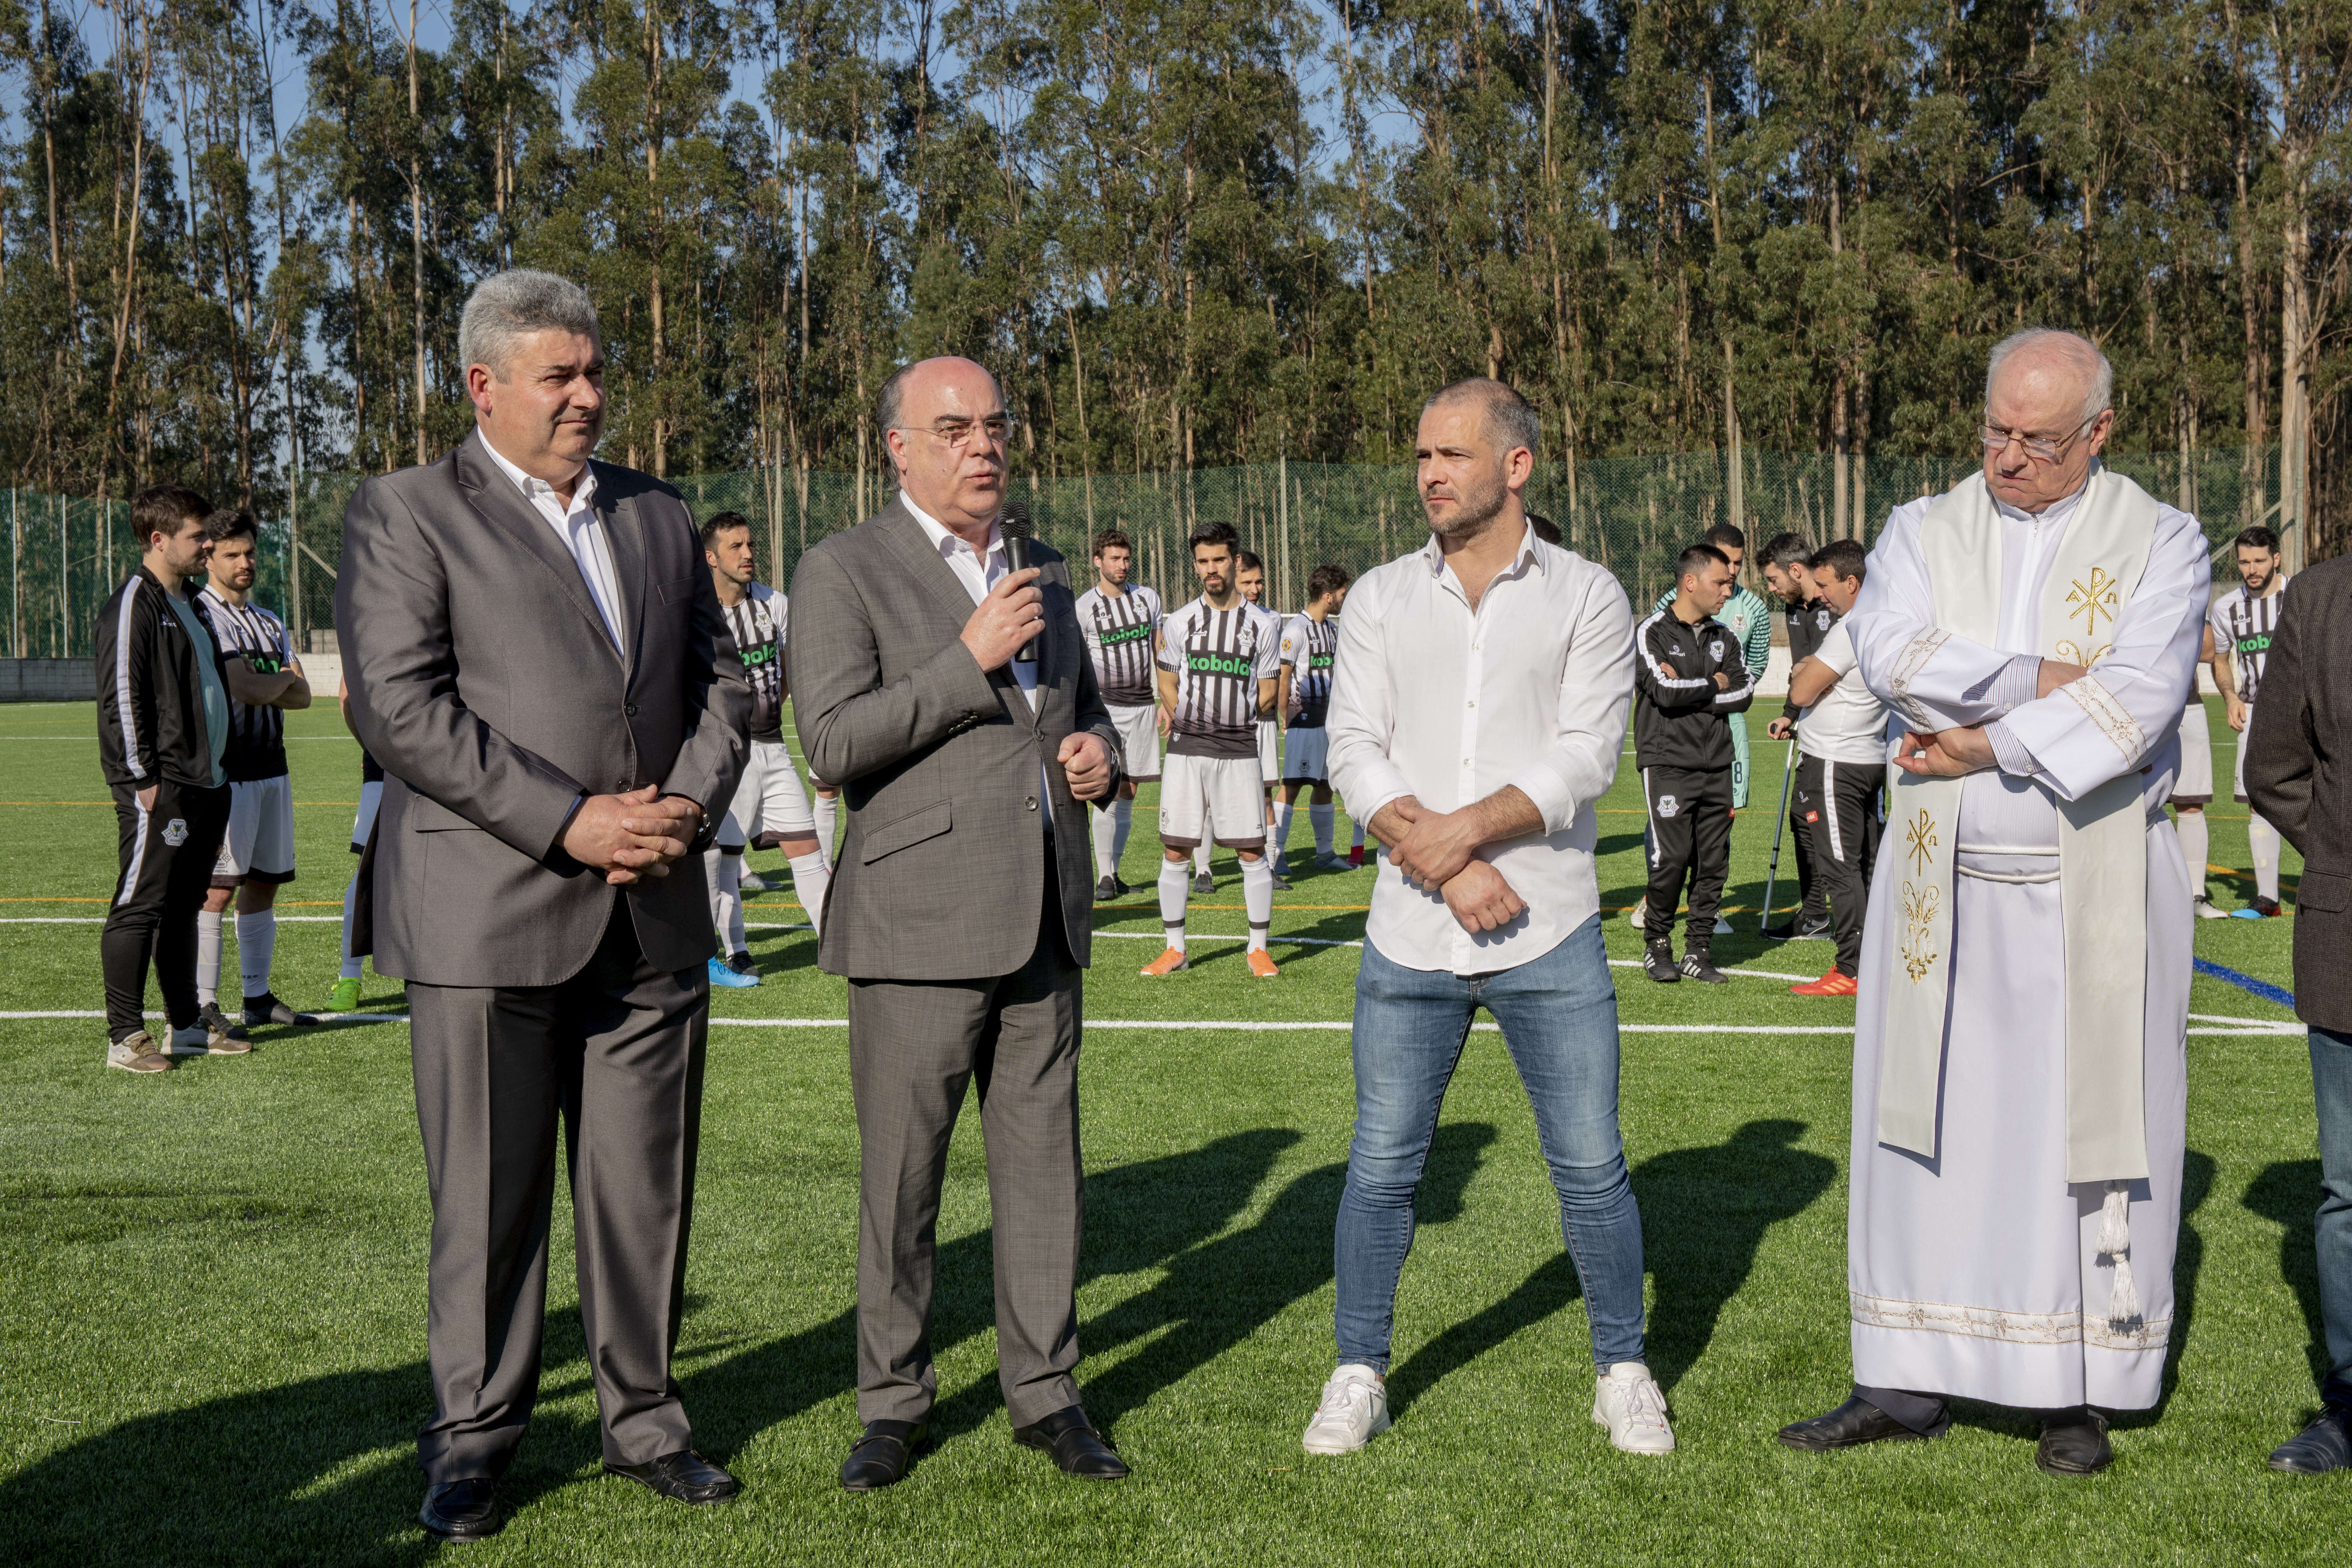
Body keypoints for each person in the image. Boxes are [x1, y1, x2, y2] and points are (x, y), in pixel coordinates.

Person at [337, 269, 754, 1540]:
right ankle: (473, 1437)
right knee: (490, 1196)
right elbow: (400, 710)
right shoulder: (406, 513)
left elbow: (725, 681)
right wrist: (570, 819)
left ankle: (646, 1423)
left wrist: (682, 803)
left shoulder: (655, 513)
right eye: (558, 375)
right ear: (482, 385)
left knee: (642, 1191)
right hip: (486, 913)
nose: (587, 395)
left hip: (653, 909)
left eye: (592, 371)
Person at [1776, 327, 2203, 1477]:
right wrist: (2029, 685)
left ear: (2099, 432)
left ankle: (2075, 1386)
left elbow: (2144, 698)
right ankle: (1904, 1376)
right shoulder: (1923, 527)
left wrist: (1980, 744)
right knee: (1926, 1128)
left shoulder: (2163, 539)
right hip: (1939, 885)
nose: (2008, 458)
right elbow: (1893, 650)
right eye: (1995, 431)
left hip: (2093, 884)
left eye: (2039, 439)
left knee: (2085, 1130)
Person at [787, 355, 1128, 1490]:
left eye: (995, 425)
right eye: (953, 429)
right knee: (905, 1183)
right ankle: (893, 1402)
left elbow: (1072, 720)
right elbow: (832, 745)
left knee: (1044, 1177)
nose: (983, 446)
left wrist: (1098, 757)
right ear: (899, 448)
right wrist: (964, 658)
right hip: (915, 925)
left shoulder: (1044, 571)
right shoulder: (842, 571)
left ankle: (1048, 1394)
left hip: (1045, 914)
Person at [1314, 377, 1668, 1458]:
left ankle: (1621, 1367)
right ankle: (1356, 1369)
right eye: (1419, 454)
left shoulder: (1587, 594)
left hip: (1547, 928)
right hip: (1407, 936)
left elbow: (1584, 754)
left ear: (1514, 466)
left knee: (1590, 1164)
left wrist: (1454, 835)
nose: (1427, 473)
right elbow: (1352, 753)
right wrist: (1450, 864)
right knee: (1379, 1164)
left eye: (1450, 455)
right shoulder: (1377, 595)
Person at [2244, 551, 2352, 1472]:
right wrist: (2341, 863)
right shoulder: (2321, 598)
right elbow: (2275, 767)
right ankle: (2351, 1406)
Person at [94, 484, 250, 1072]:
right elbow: (122, 696)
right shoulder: (137, 601)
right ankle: (125, 1037)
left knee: (185, 906)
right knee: (141, 903)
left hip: (208, 783)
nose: (207, 543)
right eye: (196, 536)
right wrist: (140, 775)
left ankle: (184, 1026)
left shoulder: (190, 604)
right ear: (158, 540)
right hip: (164, 784)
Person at [193, 508, 319, 1031]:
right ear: (208, 558)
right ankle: (202, 1004)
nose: (245, 562)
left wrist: (275, 685)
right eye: (232, 554)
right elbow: (241, 687)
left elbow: (307, 695)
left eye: (249, 552)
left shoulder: (269, 620)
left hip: (274, 768)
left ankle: (258, 998)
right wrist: (279, 684)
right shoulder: (203, 614)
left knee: (264, 883)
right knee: (217, 890)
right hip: (229, 771)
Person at [1146, 525, 1284, 978]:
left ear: (1235, 561)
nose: (1211, 569)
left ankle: (1258, 949)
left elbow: (1267, 693)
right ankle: (1175, 948)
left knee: (1250, 851)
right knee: (1175, 850)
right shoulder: (1179, 622)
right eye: (1203, 561)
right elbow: (1167, 685)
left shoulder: (1263, 624)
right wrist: (1192, 720)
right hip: (1187, 752)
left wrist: (1229, 719)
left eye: (1219, 560)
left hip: (1240, 751)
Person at [700, 510, 831, 987]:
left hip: (774, 749)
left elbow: (797, 666)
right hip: (727, 754)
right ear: (711, 558)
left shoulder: (775, 604)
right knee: (727, 861)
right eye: (736, 547)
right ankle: (734, 954)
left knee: (808, 852)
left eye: (750, 545)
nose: (749, 554)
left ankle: (836, 942)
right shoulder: (699, 613)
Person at [1632, 544, 1757, 985]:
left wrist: (1692, 688)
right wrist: (1711, 685)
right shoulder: (1651, 632)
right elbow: (1663, 693)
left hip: (1717, 764)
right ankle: (1658, 946)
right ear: (1691, 582)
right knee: (1673, 857)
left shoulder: (1726, 637)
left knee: (1713, 861)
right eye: (1721, 581)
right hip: (1667, 764)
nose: (1729, 589)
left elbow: (1743, 694)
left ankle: (1698, 951)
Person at [1781, 540, 1886, 997]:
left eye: (1825, 584)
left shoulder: (1853, 629)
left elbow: (1803, 691)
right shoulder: (1885, 623)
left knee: (1841, 868)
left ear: (1851, 582)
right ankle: (1871, 961)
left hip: (1835, 761)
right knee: (1865, 865)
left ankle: (1852, 968)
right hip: (1867, 760)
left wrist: (1804, 671)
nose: (1820, 594)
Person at [1074, 528, 1164, 899]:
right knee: (1107, 790)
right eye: (1114, 558)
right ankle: (1104, 878)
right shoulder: (1084, 607)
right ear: (1098, 561)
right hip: (1106, 710)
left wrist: (1167, 705)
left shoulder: (1148, 599)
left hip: (1144, 706)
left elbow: (1160, 651)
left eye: (1126, 558)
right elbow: (1079, 661)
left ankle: (1115, 871)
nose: (1122, 565)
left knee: (1129, 789)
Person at [2212, 525, 2290, 917]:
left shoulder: (2299, 595)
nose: (2252, 569)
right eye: (2244, 561)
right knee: (2258, 801)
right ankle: (2268, 900)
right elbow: (2220, 658)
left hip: (2302, 711)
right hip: (2255, 712)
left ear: (2276, 558)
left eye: (2260, 560)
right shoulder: (2226, 608)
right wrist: (2229, 696)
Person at [1762, 531, 1835, 940]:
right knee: (1802, 818)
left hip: (1843, 732)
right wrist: (1790, 714)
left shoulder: (1834, 605)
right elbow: (1799, 671)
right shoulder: (1795, 611)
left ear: (1795, 570)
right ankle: (1815, 912)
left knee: (1837, 823)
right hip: (1809, 726)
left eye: (1774, 580)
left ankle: (1849, 914)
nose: (1772, 590)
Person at [1273, 565, 1352, 873]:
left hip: (1328, 721)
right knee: (1292, 785)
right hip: (1304, 720)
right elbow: (1284, 678)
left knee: (1325, 785)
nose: (1345, 599)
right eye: (1343, 594)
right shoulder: (1295, 631)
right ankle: (1276, 854)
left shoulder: (1332, 631)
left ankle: (1325, 853)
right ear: (1328, 596)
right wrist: (1286, 715)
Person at [326, 678, 384, 1014]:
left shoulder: (367, 626)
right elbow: (347, 695)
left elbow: (348, 695)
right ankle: (348, 977)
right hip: (434, 761)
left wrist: (372, 744)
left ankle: (350, 977)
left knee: (366, 874)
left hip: (387, 764)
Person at [2173, 624, 2228, 920]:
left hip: (2187, 705)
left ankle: (2196, 896)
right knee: (2130, 802)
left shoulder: (2187, 582)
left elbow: (2208, 650)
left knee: (2191, 802)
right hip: (2133, 702)